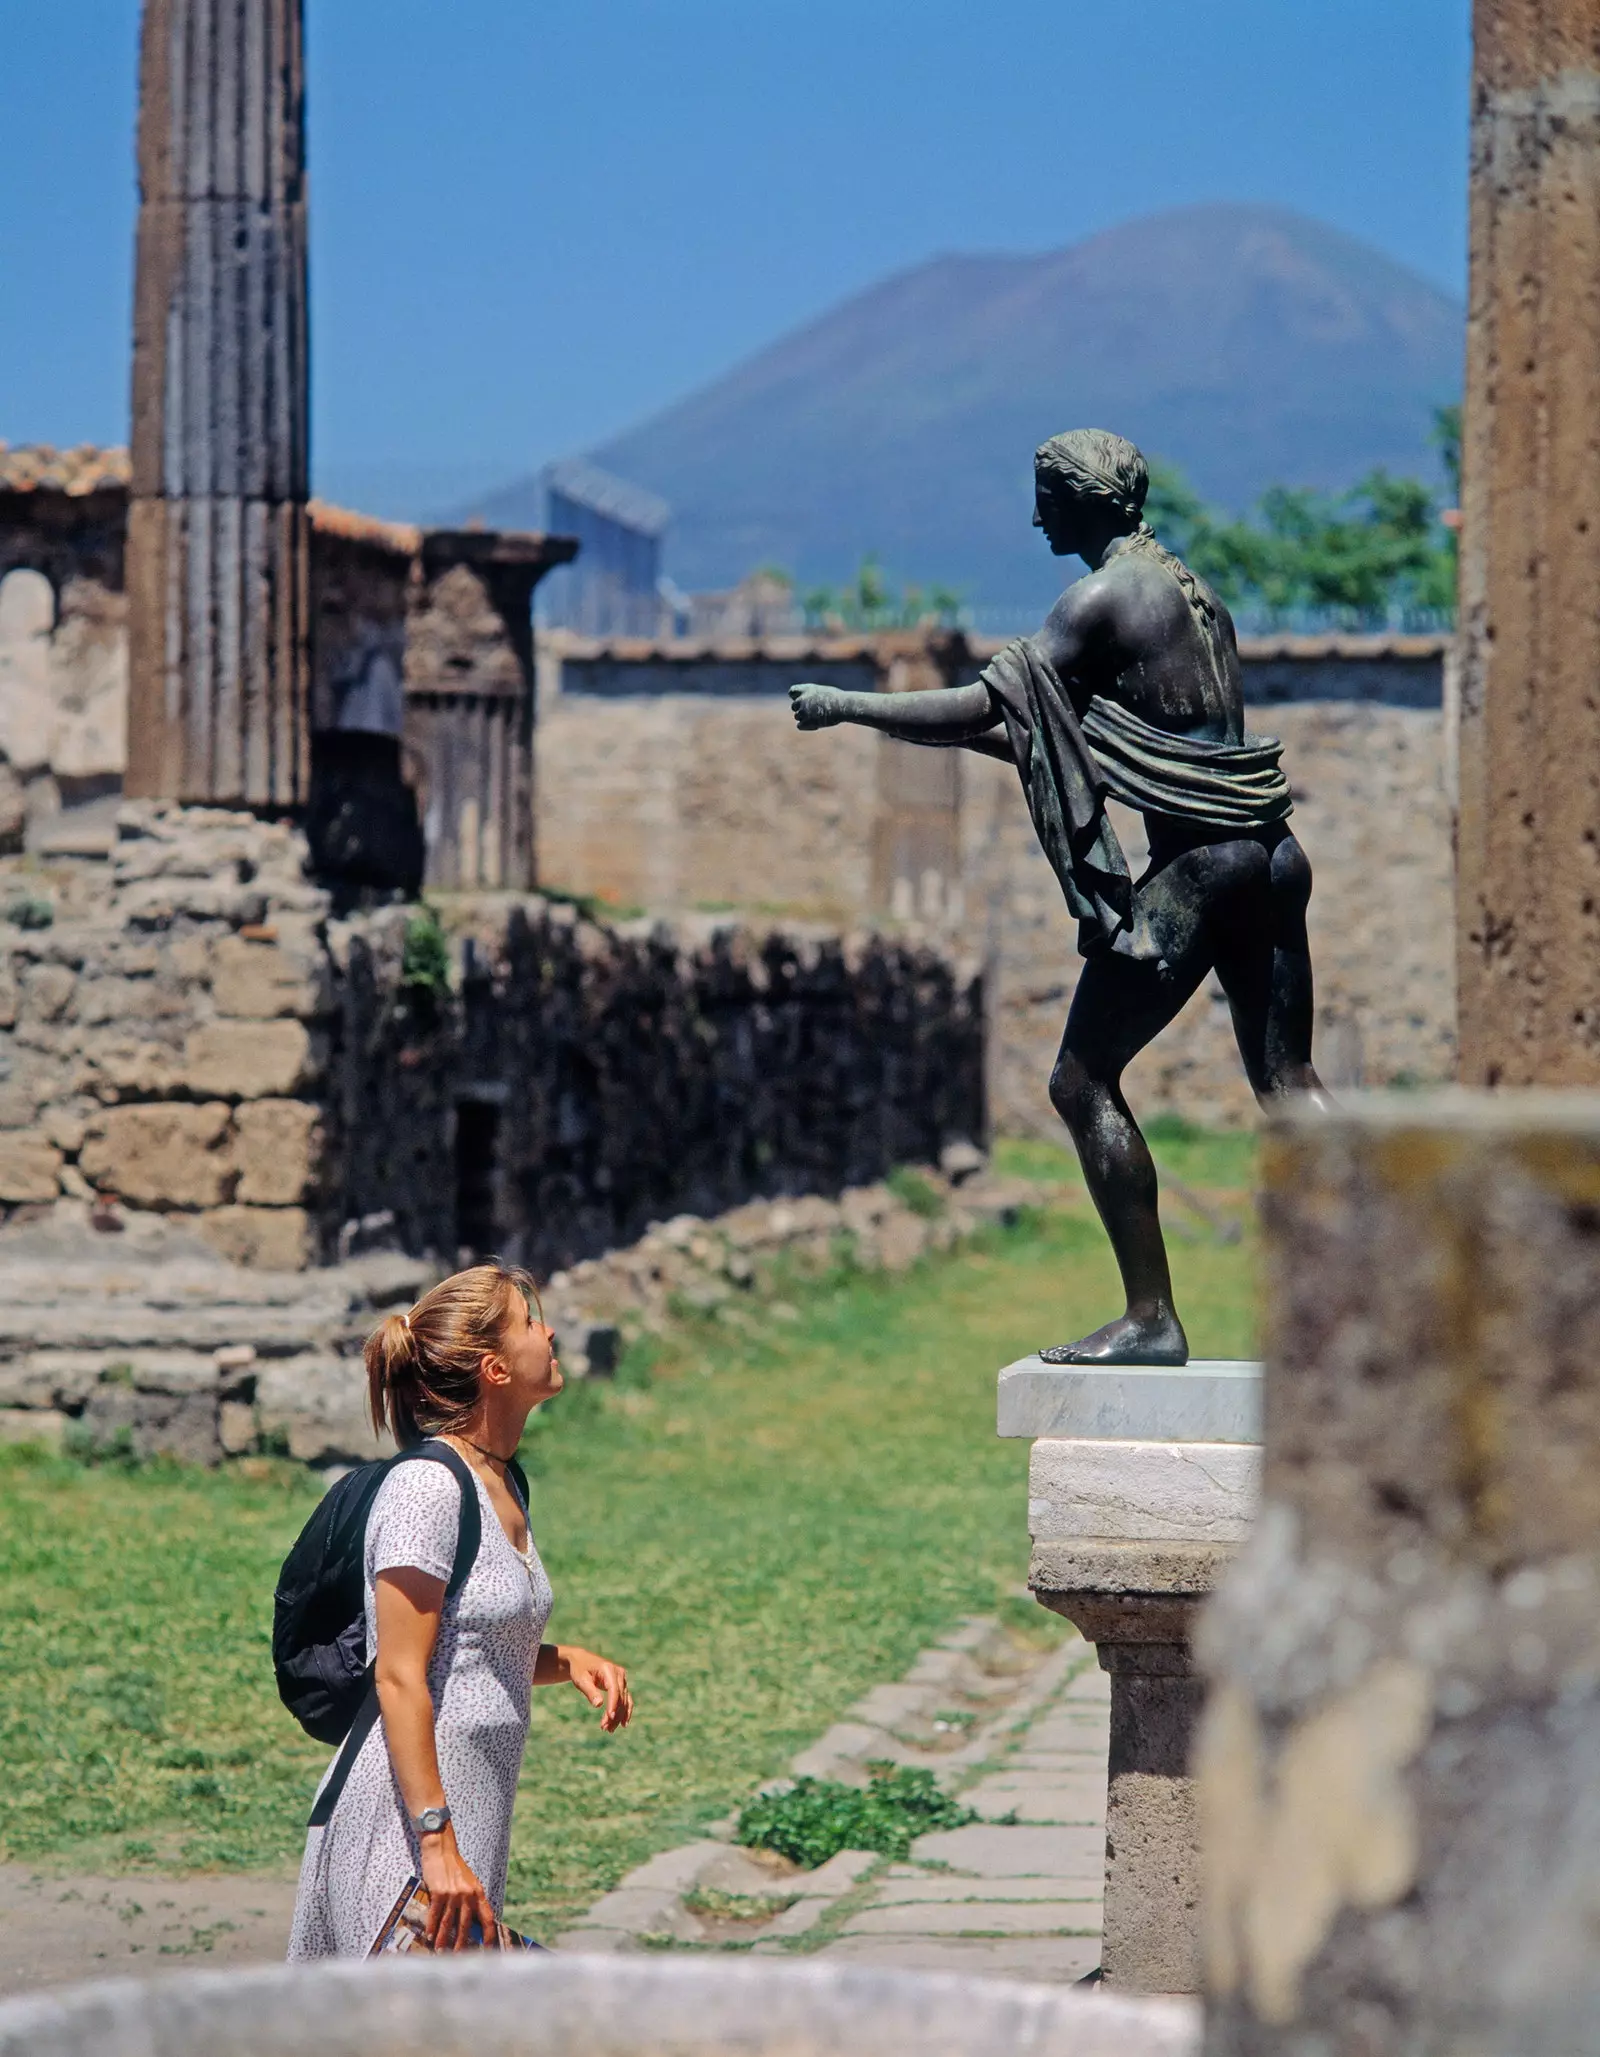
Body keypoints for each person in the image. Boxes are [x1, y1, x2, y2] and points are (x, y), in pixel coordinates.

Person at [789, 428, 1331, 1366]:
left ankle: (1152, 1317)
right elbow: (1062, 744)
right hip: (1273, 854)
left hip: (1204, 865)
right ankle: (1398, 1279)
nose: (1037, 515)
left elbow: (984, 709)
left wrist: (852, 706)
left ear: (1090, 498)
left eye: (1048, 495)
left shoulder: (1100, 599)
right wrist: (982, 730)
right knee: (1289, 1083)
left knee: (1079, 1081)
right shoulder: (1196, 595)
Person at [287, 1262, 632, 1957]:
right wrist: (436, 1842)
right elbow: (400, 1675)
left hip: (455, 1836)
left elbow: (464, 1651)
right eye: (530, 1319)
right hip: (402, 1841)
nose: (551, 1328)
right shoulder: (426, 1489)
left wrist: (568, 1661)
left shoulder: (502, 1480)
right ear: (493, 1367)